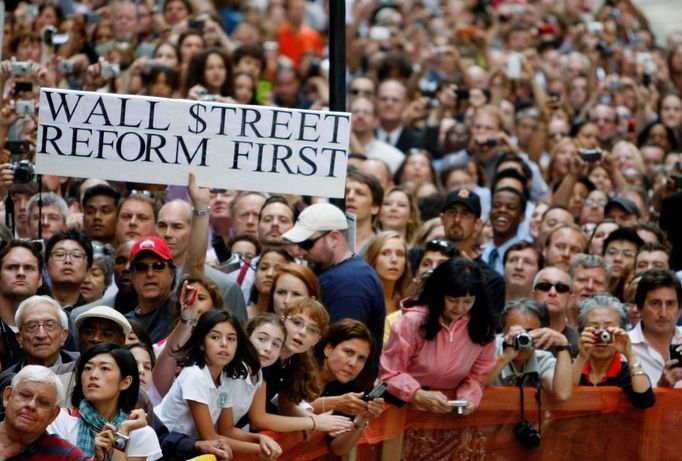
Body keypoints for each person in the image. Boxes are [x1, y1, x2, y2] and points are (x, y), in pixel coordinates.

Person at [155, 310, 281, 459]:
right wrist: (258, 448)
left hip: (181, 447)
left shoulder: (223, 378)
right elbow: (209, 436)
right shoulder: (195, 375)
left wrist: (259, 438)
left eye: (231, 338)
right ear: (201, 343)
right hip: (161, 444)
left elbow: (227, 430)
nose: (224, 344)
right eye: (215, 337)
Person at [379, 258, 497, 414]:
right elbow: (390, 373)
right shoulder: (412, 322)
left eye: (468, 301)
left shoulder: (482, 326)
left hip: (449, 411)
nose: (460, 308)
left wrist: (469, 397)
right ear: (439, 294)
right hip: (402, 407)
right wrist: (417, 394)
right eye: (452, 300)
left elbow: (479, 374)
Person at [282, 203, 385, 376]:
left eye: (307, 243)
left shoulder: (351, 283)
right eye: (298, 244)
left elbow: (341, 352)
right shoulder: (337, 272)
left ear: (334, 238)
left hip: (336, 391)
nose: (301, 252)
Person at [48, 343, 162, 460]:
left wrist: (122, 433)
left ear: (125, 382)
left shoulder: (138, 432)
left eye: (105, 368)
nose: (93, 375)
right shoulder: (59, 420)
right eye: (87, 368)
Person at [312, 319, 385, 456]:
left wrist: (362, 417)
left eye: (361, 358)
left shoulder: (351, 390)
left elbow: (339, 449)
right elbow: (283, 408)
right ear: (328, 349)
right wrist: (334, 403)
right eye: (348, 352)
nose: (353, 363)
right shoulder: (300, 368)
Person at [572, 294, 654, 408]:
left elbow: (645, 401)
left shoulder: (627, 372)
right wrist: (581, 357)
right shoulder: (571, 365)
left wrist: (629, 354)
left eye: (608, 329)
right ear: (581, 332)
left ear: (622, 332)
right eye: (594, 329)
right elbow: (562, 396)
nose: (601, 335)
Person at [487, 299, 572, 401]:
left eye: (529, 333)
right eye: (515, 332)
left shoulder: (543, 359)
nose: (522, 339)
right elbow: (475, 385)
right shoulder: (488, 351)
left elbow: (562, 394)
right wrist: (505, 358)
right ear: (503, 331)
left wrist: (563, 344)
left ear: (543, 332)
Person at [0, 366, 88, 461]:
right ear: (8, 397)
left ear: (53, 415)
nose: (31, 405)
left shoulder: (65, 456)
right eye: (25, 395)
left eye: (42, 402)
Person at [0, 296, 78, 382]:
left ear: (64, 335)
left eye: (49, 325)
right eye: (32, 327)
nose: (41, 335)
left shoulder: (82, 366)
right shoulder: (7, 380)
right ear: (19, 338)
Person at [629, 270, 682, 388]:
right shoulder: (623, 347)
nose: (663, 313)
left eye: (670, 304)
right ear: (639, 308)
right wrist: (662, 388)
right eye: (655, 303)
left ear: (679, 310)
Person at [364, 231, 410, 316]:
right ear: (373, 258)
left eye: (400, 254)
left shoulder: (407, 302)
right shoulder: (363, 299)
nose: (394, 260)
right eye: (385, 253)